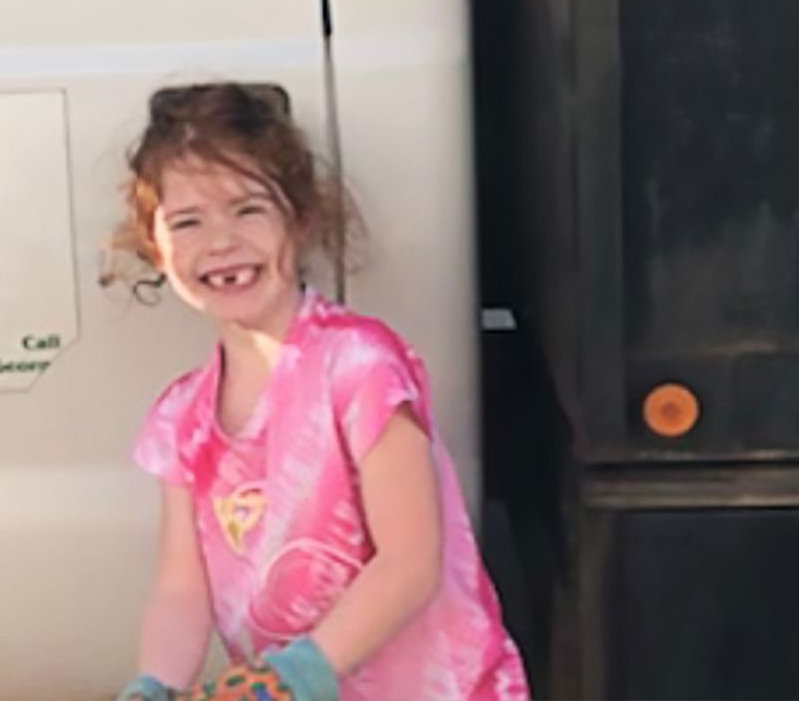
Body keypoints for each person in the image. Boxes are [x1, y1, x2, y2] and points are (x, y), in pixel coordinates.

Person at [113, 84, 529, 701]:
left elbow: (412, 561)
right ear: (156, 247)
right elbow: (182, 590)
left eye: (249, 209)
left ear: (301, 219)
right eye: (187, 222)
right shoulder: (181, 420)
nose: (221, 240)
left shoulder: (359, 367)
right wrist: (153, 686)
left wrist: (299, 672)